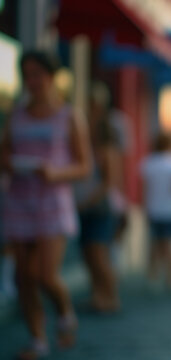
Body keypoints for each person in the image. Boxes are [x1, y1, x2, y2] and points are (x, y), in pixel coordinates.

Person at [0, 50, 91, 359]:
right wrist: (10, 164)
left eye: (38, 73)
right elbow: (4, 154)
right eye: (27, 74)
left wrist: (55, 172)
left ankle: (65, 311)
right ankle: (37, 338)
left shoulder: (69, 115)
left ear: (52, 77)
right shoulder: (16, 114)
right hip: (19, 200)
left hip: (53, 201)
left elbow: (84, 166)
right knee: (22, 276)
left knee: (44, 274)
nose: (32, 81)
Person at [74, 81, 123, 313]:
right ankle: (98, 294)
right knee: (89, 253)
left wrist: (88, 200)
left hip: (100, 208)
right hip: (86, 206)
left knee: (98, 253)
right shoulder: (89, 145)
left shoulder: (107, 147)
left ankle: (110, 297)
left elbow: (109, 182)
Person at [141, 132, 171, 291]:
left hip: (154, 209)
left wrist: (144, 207)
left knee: (154, 244)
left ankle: (153, 277)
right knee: (170, 244)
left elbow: (144, 189)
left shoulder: (148, 162)